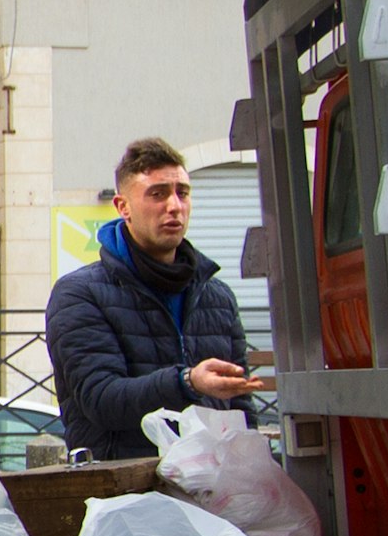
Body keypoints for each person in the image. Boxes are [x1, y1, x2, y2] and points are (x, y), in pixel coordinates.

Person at [47, 137, 267, 460]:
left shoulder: (217, 296)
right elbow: (102, 400)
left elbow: (240, 407)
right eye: (158, 193)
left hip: (210, 488)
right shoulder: (79, 294)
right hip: (124, 491)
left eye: (182, 192)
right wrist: (187, 382)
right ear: (123, 207)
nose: (174, 205)